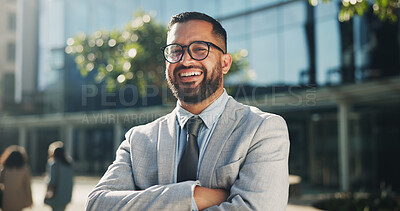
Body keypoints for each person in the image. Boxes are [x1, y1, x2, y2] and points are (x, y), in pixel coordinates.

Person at [86, 12, 290, 210]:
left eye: (200, 49)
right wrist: (193, 196)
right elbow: (97, 205)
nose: (185, 60)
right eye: (175, 51)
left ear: (225, 63)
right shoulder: (138, 140)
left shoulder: (262, 130)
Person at [0, 145, 33, 211]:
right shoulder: (25, 169)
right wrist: (30, 201)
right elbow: (27, 186)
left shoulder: (4, 168)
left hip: (6, 199)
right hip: (19, 199)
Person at [44, 141, 73, 211]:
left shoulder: (53, 164)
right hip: (66, 195)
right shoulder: (69, 164)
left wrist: (45, 179)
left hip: (56, 195)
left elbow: (52, 181)